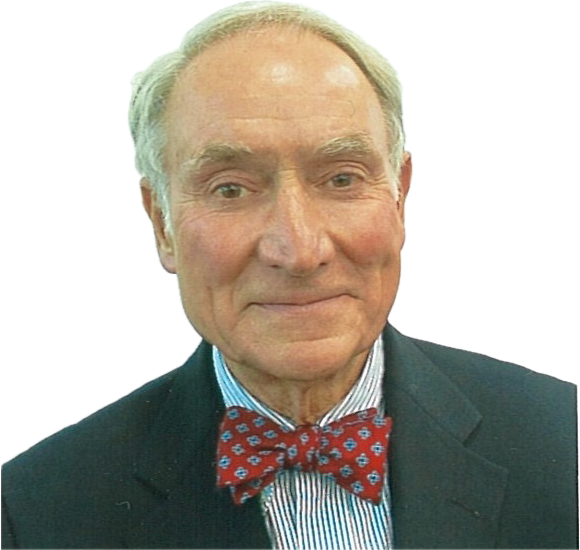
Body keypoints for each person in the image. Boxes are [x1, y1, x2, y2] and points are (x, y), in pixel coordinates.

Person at [2, 1, 577, 549]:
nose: (299, 250)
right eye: (231, 188)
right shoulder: (33, 507)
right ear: (162, 225)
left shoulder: (564, 439)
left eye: (342, 179)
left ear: (400, 199)